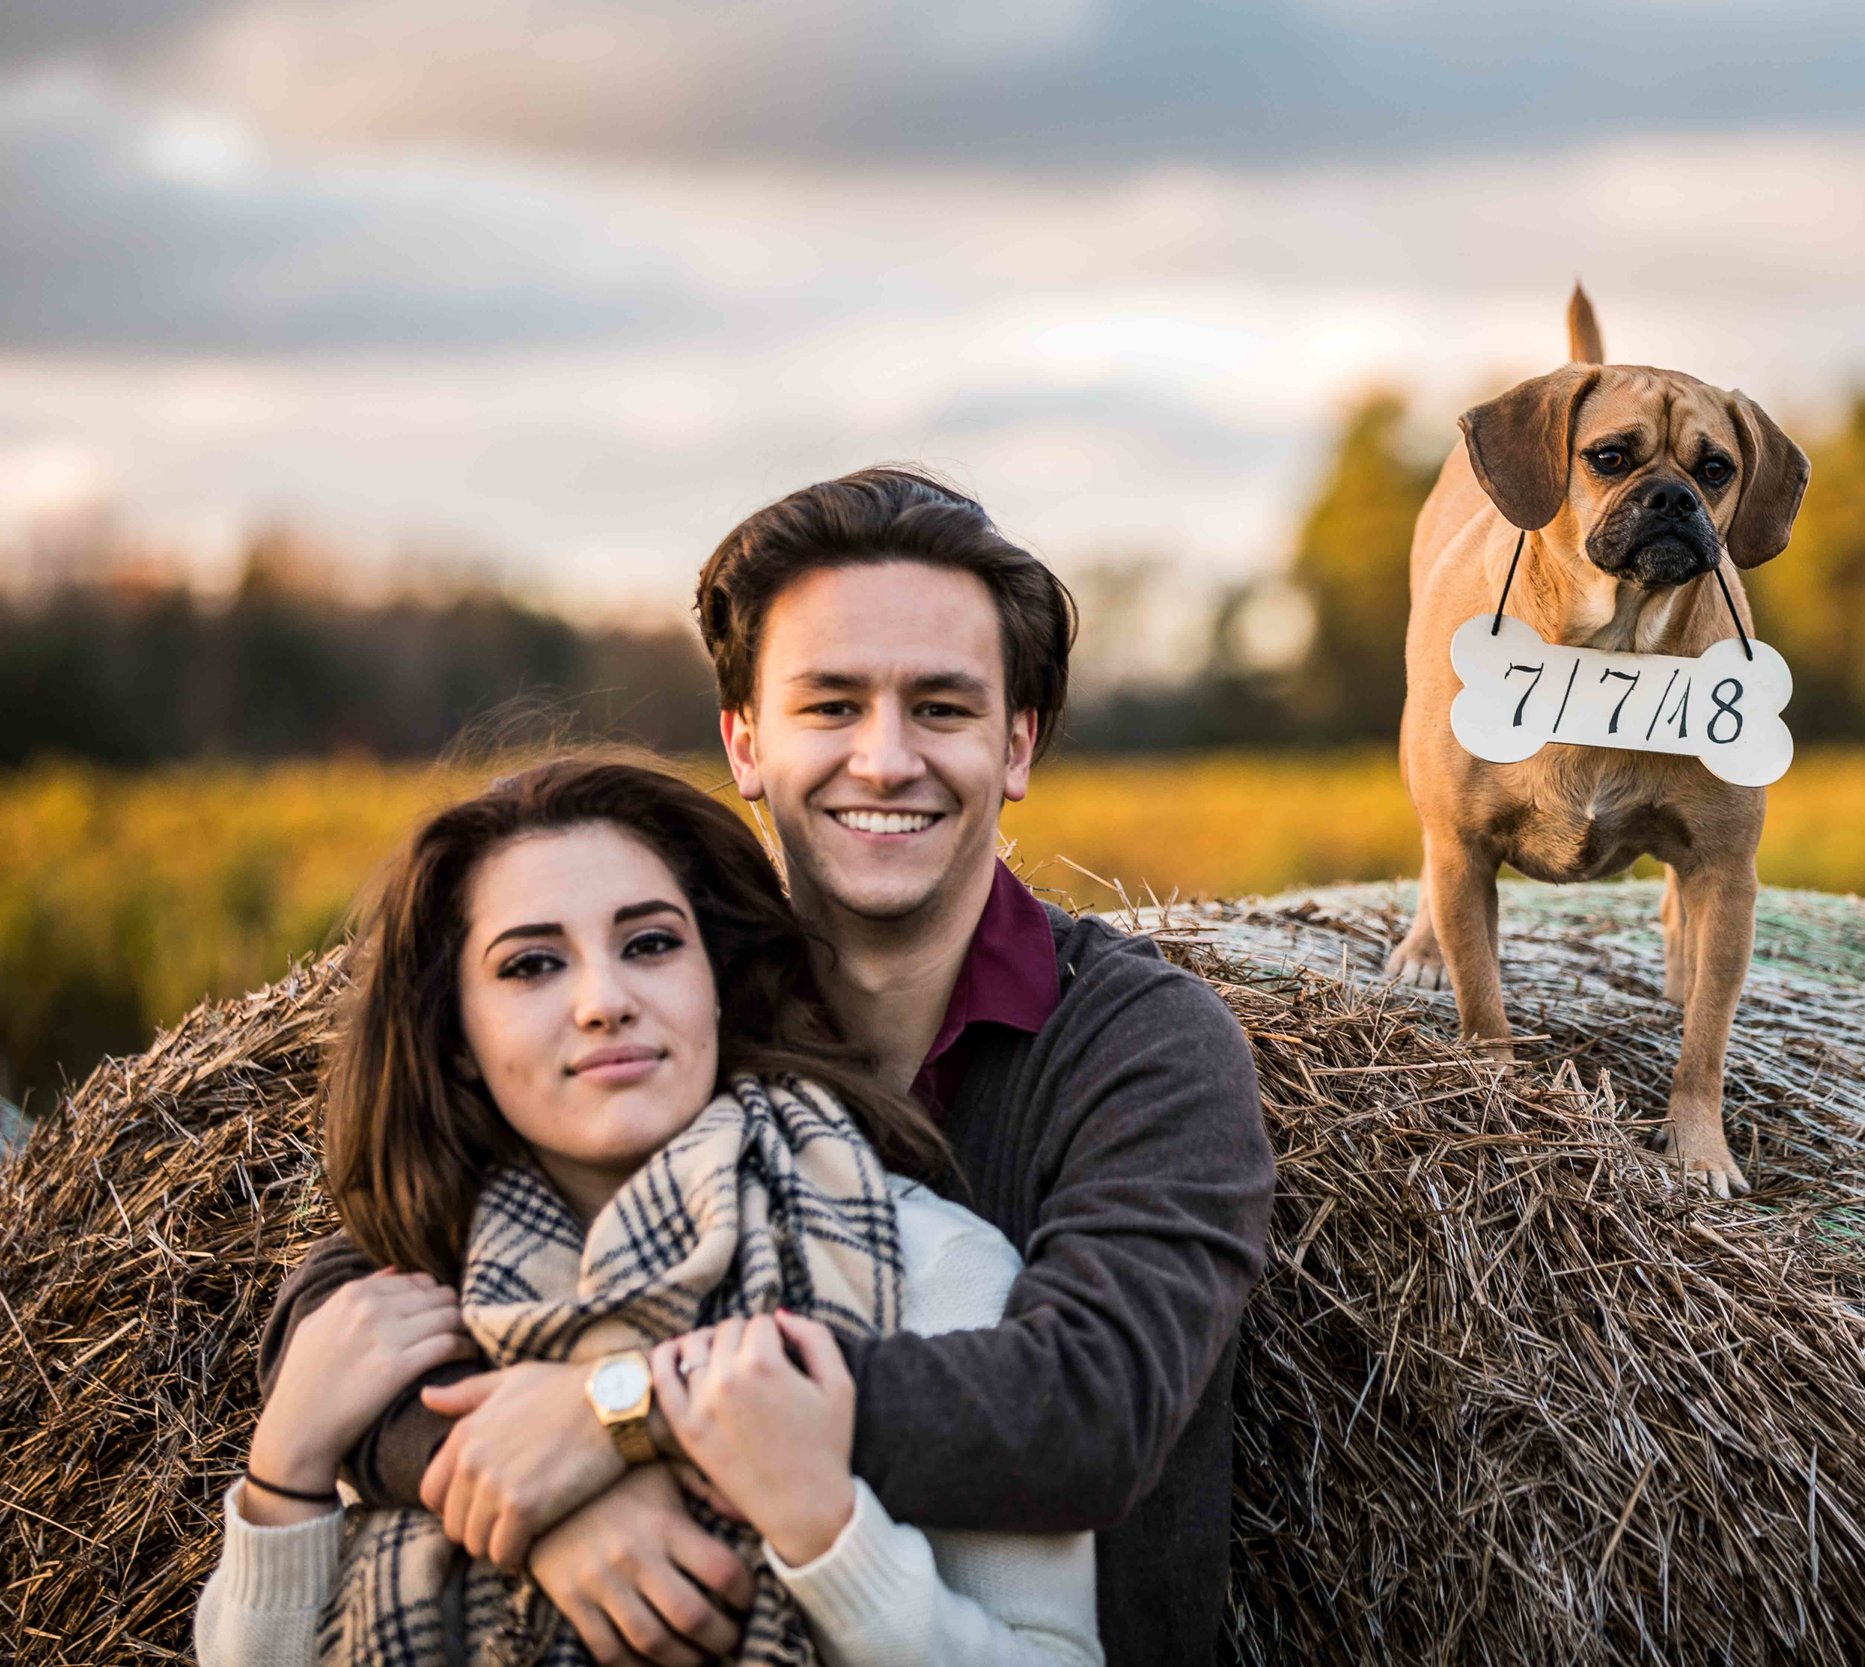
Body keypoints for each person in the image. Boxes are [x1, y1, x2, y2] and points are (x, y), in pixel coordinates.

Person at [261, 469, 1277, 1666]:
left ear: (1018, 744)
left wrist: (623, 1415)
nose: (885, 758)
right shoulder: (667, 1005)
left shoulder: (1145, 1046)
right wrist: (530, 1500)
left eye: (941, 709)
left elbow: (1087, 1408)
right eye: (830, 705)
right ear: (745, 741)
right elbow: (349, 1297)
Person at [198, 757, 1101, 1666]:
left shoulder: (931, 1265)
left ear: (714, 979)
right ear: (458, 1039)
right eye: (533, 965)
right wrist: (283, 1472)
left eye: (651, 944)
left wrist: (826, 1533)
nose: (604, 1003)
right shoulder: (402, 1325)